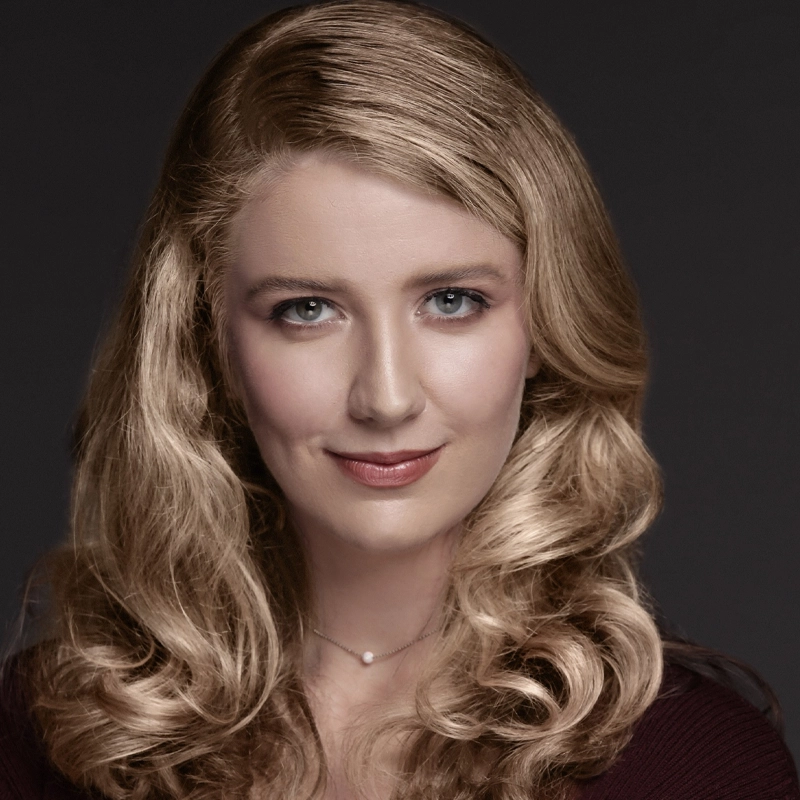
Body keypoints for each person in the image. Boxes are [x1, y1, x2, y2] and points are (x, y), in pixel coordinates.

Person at [1, 1, 797, 798]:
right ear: (212, 342)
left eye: (452, 302)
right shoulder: (46, 737)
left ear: (545, 324)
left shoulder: (694, 768)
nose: (385, 397)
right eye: (307, 309)